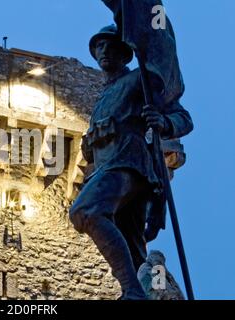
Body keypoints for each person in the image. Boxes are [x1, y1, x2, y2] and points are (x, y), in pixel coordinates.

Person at [69, 25, 193, 300]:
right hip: (107, 167)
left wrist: (163, 121)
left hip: (128, 165)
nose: (104, 52)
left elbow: (183, 117)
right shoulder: (102, 96)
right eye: (99, 47)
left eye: (110, 45)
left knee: (84, 212)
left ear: (125, 53)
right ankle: (141, 292)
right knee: (135, 249)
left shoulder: (139, 80)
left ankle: (132, 291)